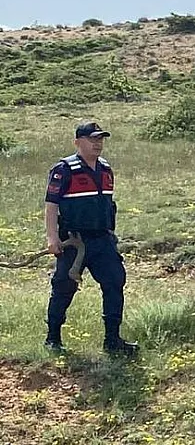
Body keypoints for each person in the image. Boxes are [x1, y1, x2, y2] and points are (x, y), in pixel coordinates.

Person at [43, 121, 138, 355]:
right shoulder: (64, 169)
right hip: (74, 242)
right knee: (64, 287)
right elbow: (51, 206)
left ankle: (112, 340)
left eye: (100, 139)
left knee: (115, 283)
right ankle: (53, 338)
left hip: (103, 241)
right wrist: (52, 238)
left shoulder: (105, 169)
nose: (97, 143)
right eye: (92, 139)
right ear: (78, 142)